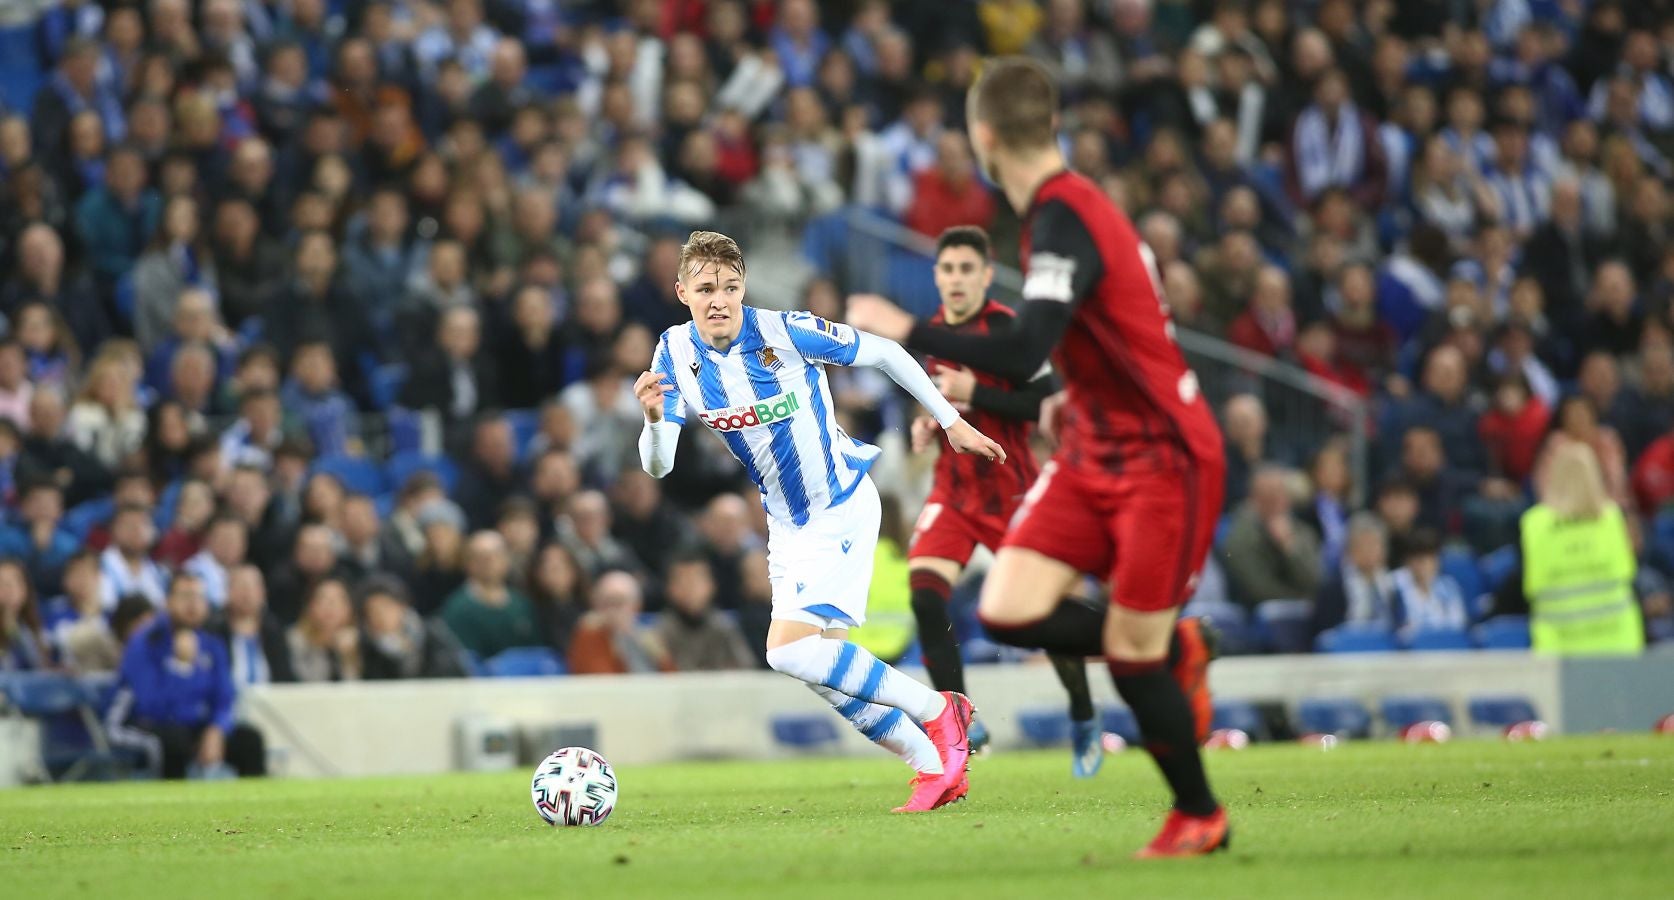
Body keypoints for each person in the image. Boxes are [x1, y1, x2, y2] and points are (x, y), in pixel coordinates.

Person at [846, 58, 1227, 855]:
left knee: (1128, 653)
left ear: (983, 138)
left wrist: (902, 330)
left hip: (1164, 455)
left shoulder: (1066, 216)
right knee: (1007, 608)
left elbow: (1021, 349)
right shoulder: (1059, 215)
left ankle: (1198, 812)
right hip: (1094, 450)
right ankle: (1174, 646)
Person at [634, 231, 1003, 813]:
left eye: (730, 287)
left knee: (786, 652)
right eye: (706, 289)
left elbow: (885, 353)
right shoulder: (674, 354)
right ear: (683, 292)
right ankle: (934, 768)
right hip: (787, 525)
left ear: (743, 288)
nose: (719, 300)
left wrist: (950, 421)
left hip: (842, 505)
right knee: (819, 669)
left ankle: (940, 711)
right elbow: (659, 467)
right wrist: (654, 420)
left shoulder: (783, 331)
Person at [898, 225, 1104, 773]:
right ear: (937, 276)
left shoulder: (1010, 330)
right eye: (948, 269)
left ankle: (1083, 711)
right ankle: (961, 718)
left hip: (1011, 486)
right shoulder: (933, 334)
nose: (957, 279)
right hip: (954, 487)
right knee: (923, 593)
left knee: (1043, 613)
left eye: (967, 269)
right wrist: (926, 423)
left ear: (986, 276)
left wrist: (975, 393)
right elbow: (938, 403)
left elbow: (1048, 405)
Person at [107, 573, 267, 779]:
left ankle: (252, 808)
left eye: (199, 597)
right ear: (168, 602)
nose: (193, 604)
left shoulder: (211, 644)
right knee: (174, 741)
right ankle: (169, 808)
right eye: (185, 596)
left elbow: (225, 698)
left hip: (194, 727)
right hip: (140, 725)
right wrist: (181, 667)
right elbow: (150, 705)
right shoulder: (146, 642)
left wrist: (216, 730)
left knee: (249, 740)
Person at [1499, 442, 1643, 655]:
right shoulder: (1613, 518)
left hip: (1559, 652)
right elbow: (1631, 578)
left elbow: (1521, 584)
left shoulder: (1534, 524)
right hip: (1619, 646)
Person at [1222, 466, 1324, 607]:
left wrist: (1289, 547)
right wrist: (1301, 601)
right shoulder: (1240, 537)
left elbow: (1315, 580)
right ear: (1254, 498)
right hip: (1256, 618)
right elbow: (1259, 590)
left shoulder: (1303, 531)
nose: (1278, 500)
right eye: (1269, 495)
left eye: (1281, 493)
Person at [439, 530, 540, 660]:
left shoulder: (522, 605)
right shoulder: (457, 609)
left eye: (495, 555)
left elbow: (536, 652)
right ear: (468, 563)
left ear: (506, 560)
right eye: (481, 557)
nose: (489, 563)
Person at [651, 554, 756, 672]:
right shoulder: (659, 634)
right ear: (670, 588)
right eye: (682, 582)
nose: (690, 589)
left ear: (711, 586)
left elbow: (746, 670)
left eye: (696, 581)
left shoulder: (724, 627)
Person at [358, 577, 469, 680]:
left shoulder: (432, 632)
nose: (381, 616)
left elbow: (456, 670)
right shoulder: (366, 648)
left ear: (402, 606)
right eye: (373, 611)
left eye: (386, 607)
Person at [567, 570, 673, 674]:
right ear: (596, 605)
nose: (613, 610)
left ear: (636, 606)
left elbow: (672, 678)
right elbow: (601, 682)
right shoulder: (590, 634)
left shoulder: (649, 637)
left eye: (619, 602)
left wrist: (660, 656)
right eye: (607, 602)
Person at [207, 565, 295, 689]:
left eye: (253, 587)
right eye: (240, 586)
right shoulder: (214, 631)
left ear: (263, 593)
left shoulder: (273, 632)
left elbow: (285, 679)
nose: (247, 593)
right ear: (227, 591)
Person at [1312, 513, 1398, 637]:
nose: (1370, 552)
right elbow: (1325, 634)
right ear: (1350, 551)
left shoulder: (1392, 584)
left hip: (1386, 651)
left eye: (1375, 545)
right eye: (1364, 545)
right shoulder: (1334, 588)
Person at [1390, 528, 1469, 641]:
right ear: (1408, 560)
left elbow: (1458, 627)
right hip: (1407, 654)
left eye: (1430, 558)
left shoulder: (1449, 587)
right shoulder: (1394, 584)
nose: (1425, 565)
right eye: (1419, 559)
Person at [285, 578, 361, 682]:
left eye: (337, 600)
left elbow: (358, 688)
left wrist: (346, 657)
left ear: (348, 608)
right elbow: (308, 684)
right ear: (311, 606)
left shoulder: (359, 640)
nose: (330, 606)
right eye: (323, 600)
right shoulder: (295, 640)